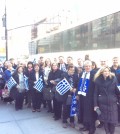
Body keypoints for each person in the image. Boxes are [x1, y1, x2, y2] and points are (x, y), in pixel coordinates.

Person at [94, 66, 120, 134]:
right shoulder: (98, 81)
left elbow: (117, 91)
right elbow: (95, 93)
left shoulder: (114, 79)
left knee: (113, 121)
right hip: (102, 104)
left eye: (108, 71)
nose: (107, 72)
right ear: (102, 72)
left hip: (112, 103)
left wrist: (118, 99)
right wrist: (95, 105)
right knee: (105, 121)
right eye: (105, 71)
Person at [78, 60, 96, 134]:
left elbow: (96, 86)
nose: (87, 67)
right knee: (83, 111)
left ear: (91, 66)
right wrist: (77, 94)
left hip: (90, 96)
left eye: (89, 66)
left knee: (90, 113)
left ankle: (92, 129)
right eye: (86, 66)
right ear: (84, 67)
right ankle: (86, 126)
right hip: (82, 95)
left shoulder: (94, 73)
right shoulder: (82, 73)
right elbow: (79, 83)